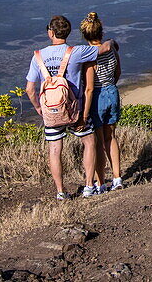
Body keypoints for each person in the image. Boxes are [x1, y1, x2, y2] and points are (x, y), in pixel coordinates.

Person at [24, 14, 102, 200]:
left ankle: (60, 191)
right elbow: (102, 49)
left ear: (50, 32)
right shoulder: (77, 51)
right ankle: (89, 186)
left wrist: (38, 108)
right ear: (67, 33)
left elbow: (29, 89)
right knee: (89, 142)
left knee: (55, 150)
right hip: (75, 110)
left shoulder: (38, 56)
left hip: (51, 111)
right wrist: (112, 43)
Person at [80, 11, 124, 192]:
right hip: (112, 91)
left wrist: (84, 112)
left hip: (97, 96)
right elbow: (118, 72)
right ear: (101, 32)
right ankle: (117, 177)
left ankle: (101, 182)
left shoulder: (89, 57)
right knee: (111, 137)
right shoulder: (111, 49)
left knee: (98, 142)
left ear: (85, 35)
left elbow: (89, 88)